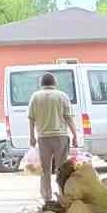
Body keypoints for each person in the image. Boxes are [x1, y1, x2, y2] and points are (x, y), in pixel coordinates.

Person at [27, 72, 78, 201]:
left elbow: (31, 119)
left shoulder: (35, 97)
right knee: (61, 169)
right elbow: (68, 118)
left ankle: (47, 198)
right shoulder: (62, 96)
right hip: (60, 137)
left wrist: (32, 137)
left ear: (41, 84)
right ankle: (62, 195)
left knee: (45, 170)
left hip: (43, 138)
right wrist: (75, 135)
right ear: (55, 83)